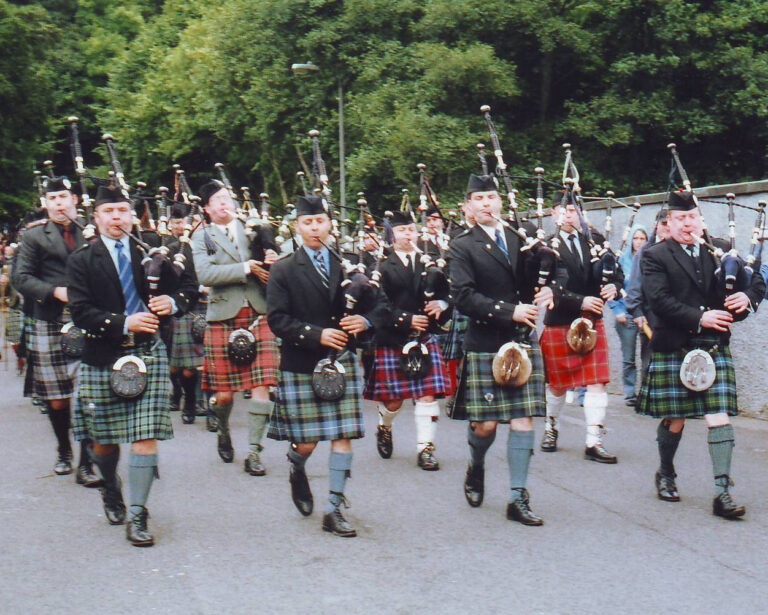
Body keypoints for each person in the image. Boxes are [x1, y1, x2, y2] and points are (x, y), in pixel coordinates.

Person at [68, 185, 198, 546]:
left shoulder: (154, 252)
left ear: (132, 216)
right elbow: (80, 313)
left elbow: (189, 287)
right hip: (102, 355)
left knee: (145, 436)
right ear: (95, 217)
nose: (116, 218)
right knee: (104, 441)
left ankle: (138, 514)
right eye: (108, 212)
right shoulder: (82, 259)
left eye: (122, 211)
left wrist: (172, 304)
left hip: (148, 353)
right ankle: (111, 486)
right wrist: (125, 322)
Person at [636, 190, 764, 518]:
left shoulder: (721, 251)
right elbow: (658, 299)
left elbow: (757, 281)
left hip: (713, 345)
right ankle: (666, 472)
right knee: (676, 418)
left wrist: (747, 299)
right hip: (675, 345)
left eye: (692, 217)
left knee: (718, 416)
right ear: (669, 222)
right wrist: (699, 317)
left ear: (700, 219)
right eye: (680, 219)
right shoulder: (655, 255)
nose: (687, 224)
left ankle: (723, 492)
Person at [448, 174, 555, 526]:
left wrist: (550, 289)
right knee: (486, 425)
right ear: (468, 207)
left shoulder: (519, 237)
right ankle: (476, 465)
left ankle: (517, 496)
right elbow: (462, 296)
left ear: (500, 202)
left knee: (523, 420)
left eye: (491, 197)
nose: (486, 204)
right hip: (485, 341)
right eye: (478, 198)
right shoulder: (462, 245)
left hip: (521, 341)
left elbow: (553, 270)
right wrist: (509, 311)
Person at [266, 195, 375, 537]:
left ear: (331, 224)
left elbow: (380, 307)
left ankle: (334, 508)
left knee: (343, 437)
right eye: (307, 223)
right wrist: (317, 335)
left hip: (342, 361)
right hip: (302, 363)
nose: (315, 228)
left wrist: (365, 322)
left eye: (320, 222)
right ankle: (297, 466)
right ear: (296, 228)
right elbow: (277, 321)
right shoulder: (283, 269)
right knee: (308, 442)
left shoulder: (352, 264)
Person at [12, 176, 101, 485]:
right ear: (46, 204)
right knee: (58, 399)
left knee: (88, 392)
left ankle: (88, 461)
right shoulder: (35, 237)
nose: (59, 203)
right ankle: (64, 449)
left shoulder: (91, 231)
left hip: (87, 318)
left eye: (64, 197)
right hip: (50, 318)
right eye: (53, 199)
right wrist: (55, 291)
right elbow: (21, 279)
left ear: (74, 199)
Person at [191, 180, 280, 476]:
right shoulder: (201, 236)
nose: (223, 203)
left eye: (226, 197)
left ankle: (255, 451)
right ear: (206, 208)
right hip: (223, 317)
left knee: (263, 384)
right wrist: (245, 268)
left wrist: (272, 261)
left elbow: (274, 261)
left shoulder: (254, 228)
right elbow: (205, 273)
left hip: (258, 313)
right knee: (225, 395)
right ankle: (223, 428)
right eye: (216, 200)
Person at [364, 211, 452, 470]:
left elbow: (450, 292)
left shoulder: (432, 261)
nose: (408, 234)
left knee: (427, 395)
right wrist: (406, 319)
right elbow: (377, 304)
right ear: (391, 236)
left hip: (424, 337)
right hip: (393, 338)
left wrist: (443, 303)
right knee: (394, 401)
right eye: (402, 230)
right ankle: (385, 426)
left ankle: (425, 449)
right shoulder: (380, 266)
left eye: (412, 230)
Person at [539, 199, 622, 463]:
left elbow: (615, 272)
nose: (569, 215)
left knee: (597, 381)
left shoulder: (595, 241)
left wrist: (615, 288)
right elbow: (543, 287)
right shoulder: (547, 246)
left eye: (574, 210)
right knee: (557, 386)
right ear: (554, 214)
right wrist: (579, 301)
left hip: (591, 321)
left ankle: (593, 441)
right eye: (563, 210)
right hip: (560, 320)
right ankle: (551, 427)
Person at [166, 205, 203, 424]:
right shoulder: (170, 248)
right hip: (180, 306)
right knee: (175, 366)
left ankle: (191, 402)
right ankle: (178, 392)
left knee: (192, 367)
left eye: (187, 221)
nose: (183, 226)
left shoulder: (207, 245)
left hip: (203, 306)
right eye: (177, 222)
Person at [625, 209, 671, 374]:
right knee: (650, 366)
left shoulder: (678, 248)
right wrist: (637, 312)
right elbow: (634, 286)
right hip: (650, 318)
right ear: (656, 225)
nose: (668, 227)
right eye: (664, 223)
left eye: (670, 223)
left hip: (675, 319)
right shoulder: (645, 251)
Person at [608, 225, 648, 406]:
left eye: (642, 239)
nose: (639, 242)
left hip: (646, 314)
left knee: (648, 356)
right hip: (627, 314)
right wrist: (617, 309)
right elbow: (610, 287)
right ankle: (631, 393)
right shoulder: (622, 261)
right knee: (629, 357)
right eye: (636, 238)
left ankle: (647, 392)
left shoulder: (650, 259)